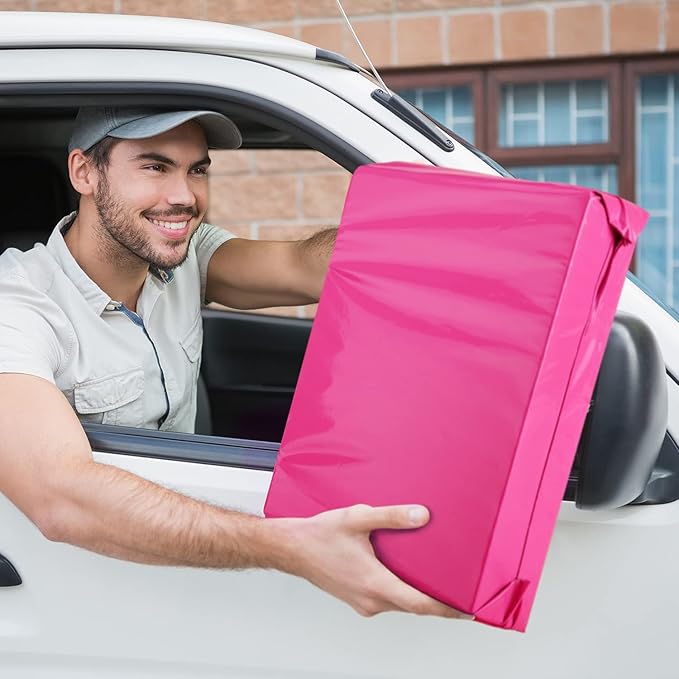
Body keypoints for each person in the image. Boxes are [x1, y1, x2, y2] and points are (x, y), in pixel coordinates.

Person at [0, 107, 469, 620]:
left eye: (197, 170)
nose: (185, 196)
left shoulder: (182, 253)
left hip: (189, 578)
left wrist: (444, 231)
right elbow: (61, 495)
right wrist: (291, 546)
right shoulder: (18, 305)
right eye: (155, 167)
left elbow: (302, 265)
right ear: (84, 173)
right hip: (85, 597)